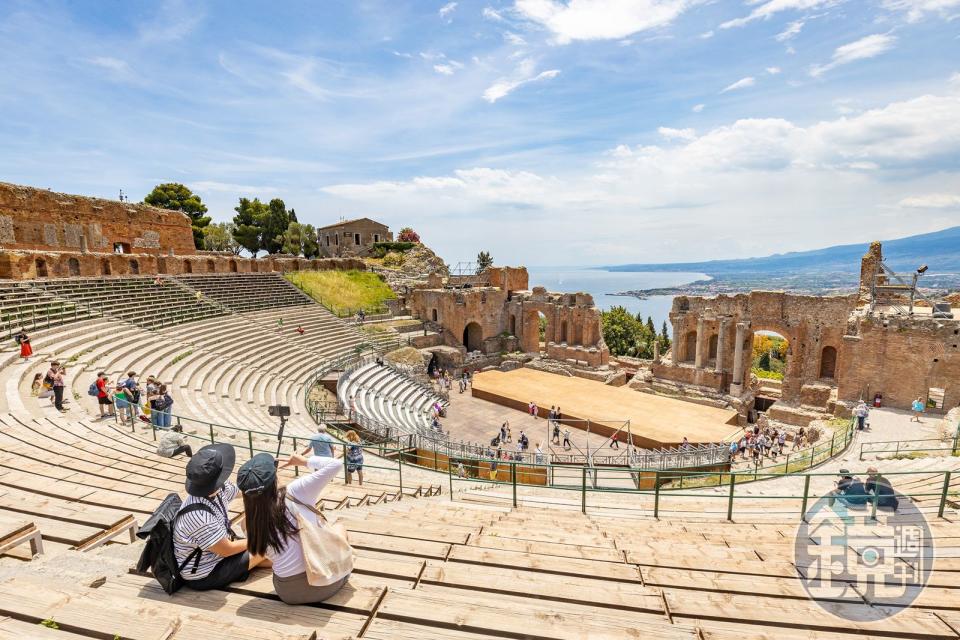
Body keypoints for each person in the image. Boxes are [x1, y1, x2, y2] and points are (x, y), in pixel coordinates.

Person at [237, 452, 350, 605]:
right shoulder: (293, 492)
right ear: (273, 479)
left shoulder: (247, 523)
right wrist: (304, 461)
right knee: (340, 528)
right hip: (320, 584)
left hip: (286, 591)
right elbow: (335, 465)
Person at [173, 444, 266, 590]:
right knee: (269, 546)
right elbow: (227, 549)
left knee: (269, 551)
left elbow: (242, 492)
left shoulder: (216, 489)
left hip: (215, 554)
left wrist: (264, 487)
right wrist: (260, 540)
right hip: (205, 573)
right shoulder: (199, 516)